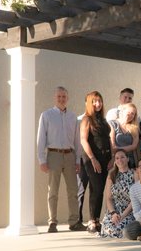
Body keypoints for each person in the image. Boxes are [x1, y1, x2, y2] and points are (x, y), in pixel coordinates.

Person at [37, 86, 86, 233]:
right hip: (54, 155)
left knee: (73, 190)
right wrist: (42, 159)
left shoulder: (73, 117)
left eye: (64, 96)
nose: (61, 99)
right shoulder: (46, 115)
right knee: (53, 190)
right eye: (59, 96)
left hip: (70, 155)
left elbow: (77, 140)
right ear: (55, 98)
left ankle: (74, 222)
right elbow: (41, 138)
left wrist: (77, 160)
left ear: (67, 98)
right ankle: (52, 222)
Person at [80, 91, 113, 233]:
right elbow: (83, 140)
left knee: (99, 189)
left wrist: (112, 157)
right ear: (89, 103)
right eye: (94, 101)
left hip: (106, 158)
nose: (98, 104)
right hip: (92, 158)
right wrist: (93, 159)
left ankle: (96, 220)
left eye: (100, 101)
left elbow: (109, 139)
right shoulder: (87, 119)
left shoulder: (103, 120)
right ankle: (92, 220)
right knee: (97, 188)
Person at [99, 149, 136, 238]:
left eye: (122, 157)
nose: (120, 160)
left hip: (130, 210)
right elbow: (108, 198)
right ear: (115, 161)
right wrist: (113, 213)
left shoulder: (134, 174)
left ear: (127, 159)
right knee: (109, 227)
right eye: (117, 158)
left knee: (120, 229)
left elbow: (135, 199)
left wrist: (122, 215)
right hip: (115, 211)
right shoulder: (111, 175)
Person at [109, 103, 139, 169]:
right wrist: (118, 153)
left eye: (133, 114)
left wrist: (118, 149)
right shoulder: (113, 124)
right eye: (128, 112)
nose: (130, 115)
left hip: (130, 160)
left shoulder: (134, 127)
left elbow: (134, 146)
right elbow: (112, 145)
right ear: (123, 111)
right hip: (117, 160)